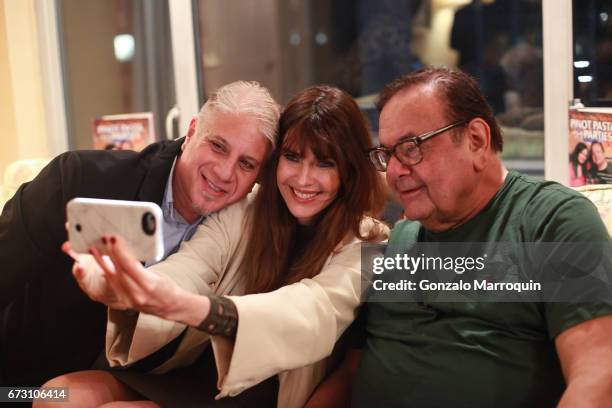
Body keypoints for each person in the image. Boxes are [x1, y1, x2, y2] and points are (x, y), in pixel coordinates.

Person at [37, 85, 388, 408]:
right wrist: (121, 288)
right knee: (55, 396)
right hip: (193, 375)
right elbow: (191, 267)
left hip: (260, 395)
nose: (303, 179)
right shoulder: (247, 212)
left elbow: (307, 314)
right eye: (293, 157)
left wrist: (186, 306)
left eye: (325, 163)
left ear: (349, 171)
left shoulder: (369, 242)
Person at [307, 66, 612, 407]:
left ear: (476, 140)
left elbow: (598, 375)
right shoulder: (394, 244)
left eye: (411, 147)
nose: (393, 170)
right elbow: (351, 373)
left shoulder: (553, 221)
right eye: (388, 154)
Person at [0, 80, 280, 386]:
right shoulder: (79, 179)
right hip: (26, 383)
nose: (225, 173)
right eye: (217, 146)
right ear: (190, 132)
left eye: (246, 163)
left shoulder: (247, 229)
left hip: (147, 386)